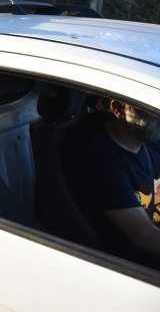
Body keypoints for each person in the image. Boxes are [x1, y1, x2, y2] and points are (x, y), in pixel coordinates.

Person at [66, 98, 160, 269]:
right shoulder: (100, 161)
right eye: (147, 109)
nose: (157, 114)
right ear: (117, 109)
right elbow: (143, 235)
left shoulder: (151, 142)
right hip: (138, 267)